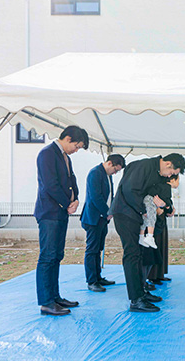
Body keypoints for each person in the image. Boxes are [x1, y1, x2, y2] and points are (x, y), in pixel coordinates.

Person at [111, 153, 185, 312]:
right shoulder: (144, 166)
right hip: (125, 214)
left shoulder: (155, 172)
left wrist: (164, 206)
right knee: (132, 254)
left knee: (139, 254)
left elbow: (157, 194)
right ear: (167, 164)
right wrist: (144, 211)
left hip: (135, 215)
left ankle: (141, 292)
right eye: (172, 173)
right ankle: (135, 300)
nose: (171, 176)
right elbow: (131, 190)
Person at [34, 125, 89, 316]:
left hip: (61, 213)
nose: (76, 150)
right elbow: (50, 184)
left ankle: (55, 296)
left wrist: (75, 199)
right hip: (49, 213)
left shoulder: (65, 157)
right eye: (77, 146)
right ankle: (46, 302)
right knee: (47, 256)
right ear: (67, 139)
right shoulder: (47, 154)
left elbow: (71, 179)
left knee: (57, 255)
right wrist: (67, 203)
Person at [80, 153, 126, 292]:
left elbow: (108, 196)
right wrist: (108, 212)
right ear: (110, 163)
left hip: (102, 218)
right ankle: (92, 280)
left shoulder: (107, 175)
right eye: (116, 169)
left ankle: (98, 277)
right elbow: (95, 197)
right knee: (92, 250)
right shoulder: (95, 173)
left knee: (98, 249)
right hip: (94, 218)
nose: (116, 172)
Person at [148, 174, 177, 285]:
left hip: (161, 220)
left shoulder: (162, 187)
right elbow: (163, 202)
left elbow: (166, 203)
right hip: (156, 221)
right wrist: (168, 208)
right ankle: (153, 275)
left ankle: (159, 274)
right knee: (157, 247)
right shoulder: (164, 187)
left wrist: (170, 208)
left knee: (161, 247)